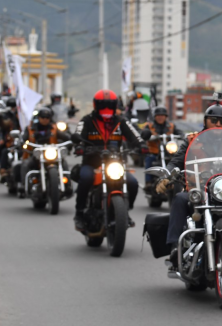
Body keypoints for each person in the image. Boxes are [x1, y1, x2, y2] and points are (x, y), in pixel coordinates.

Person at [154, 104, 222, 269]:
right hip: (199, 189)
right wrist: (166, 176)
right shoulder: (192, 140)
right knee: (179, 199)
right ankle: (175, 247)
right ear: (206, 121)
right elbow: (176, 161)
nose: (218, 124)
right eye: (214, 120)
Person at [73, 90, 146, 232]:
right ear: (96, 106)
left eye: (109, 106)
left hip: (115, 163)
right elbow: (78, 134)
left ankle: (124, 212)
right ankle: (80, 213)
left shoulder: (121, 121)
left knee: (132, 183)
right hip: (92, 162)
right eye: (102, 106)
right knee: (86, 178)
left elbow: (134, 135)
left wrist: (142, 145)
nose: (106, 109)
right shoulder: (87, 120)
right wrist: (79, 146)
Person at [18, 107, 60, 194]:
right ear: (39, 118)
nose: (45, 119)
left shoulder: (54, 128)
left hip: (51, 154)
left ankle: (67, 184)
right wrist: (22, 142)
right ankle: (23, 185)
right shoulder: (30, 129)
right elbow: (24, 138)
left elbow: (65, 136)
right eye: (43, 117)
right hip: (35, 155)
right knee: (25, 164)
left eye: (47, 118)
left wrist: (74, 140)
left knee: (63, 162)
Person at [140, 106, 177, 186]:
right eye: (158, 115)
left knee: (177, 160)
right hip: (154, 152)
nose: (160, 117)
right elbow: (143, 134)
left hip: (168, 152)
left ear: (165, 117)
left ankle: (179, 181)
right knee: (149, 159)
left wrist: (184, 135)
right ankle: (148, 182)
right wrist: (147, 135)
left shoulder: (171, 126)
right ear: (155, 117)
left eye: (162, 115)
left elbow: (180, 133)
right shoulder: (149, 126)